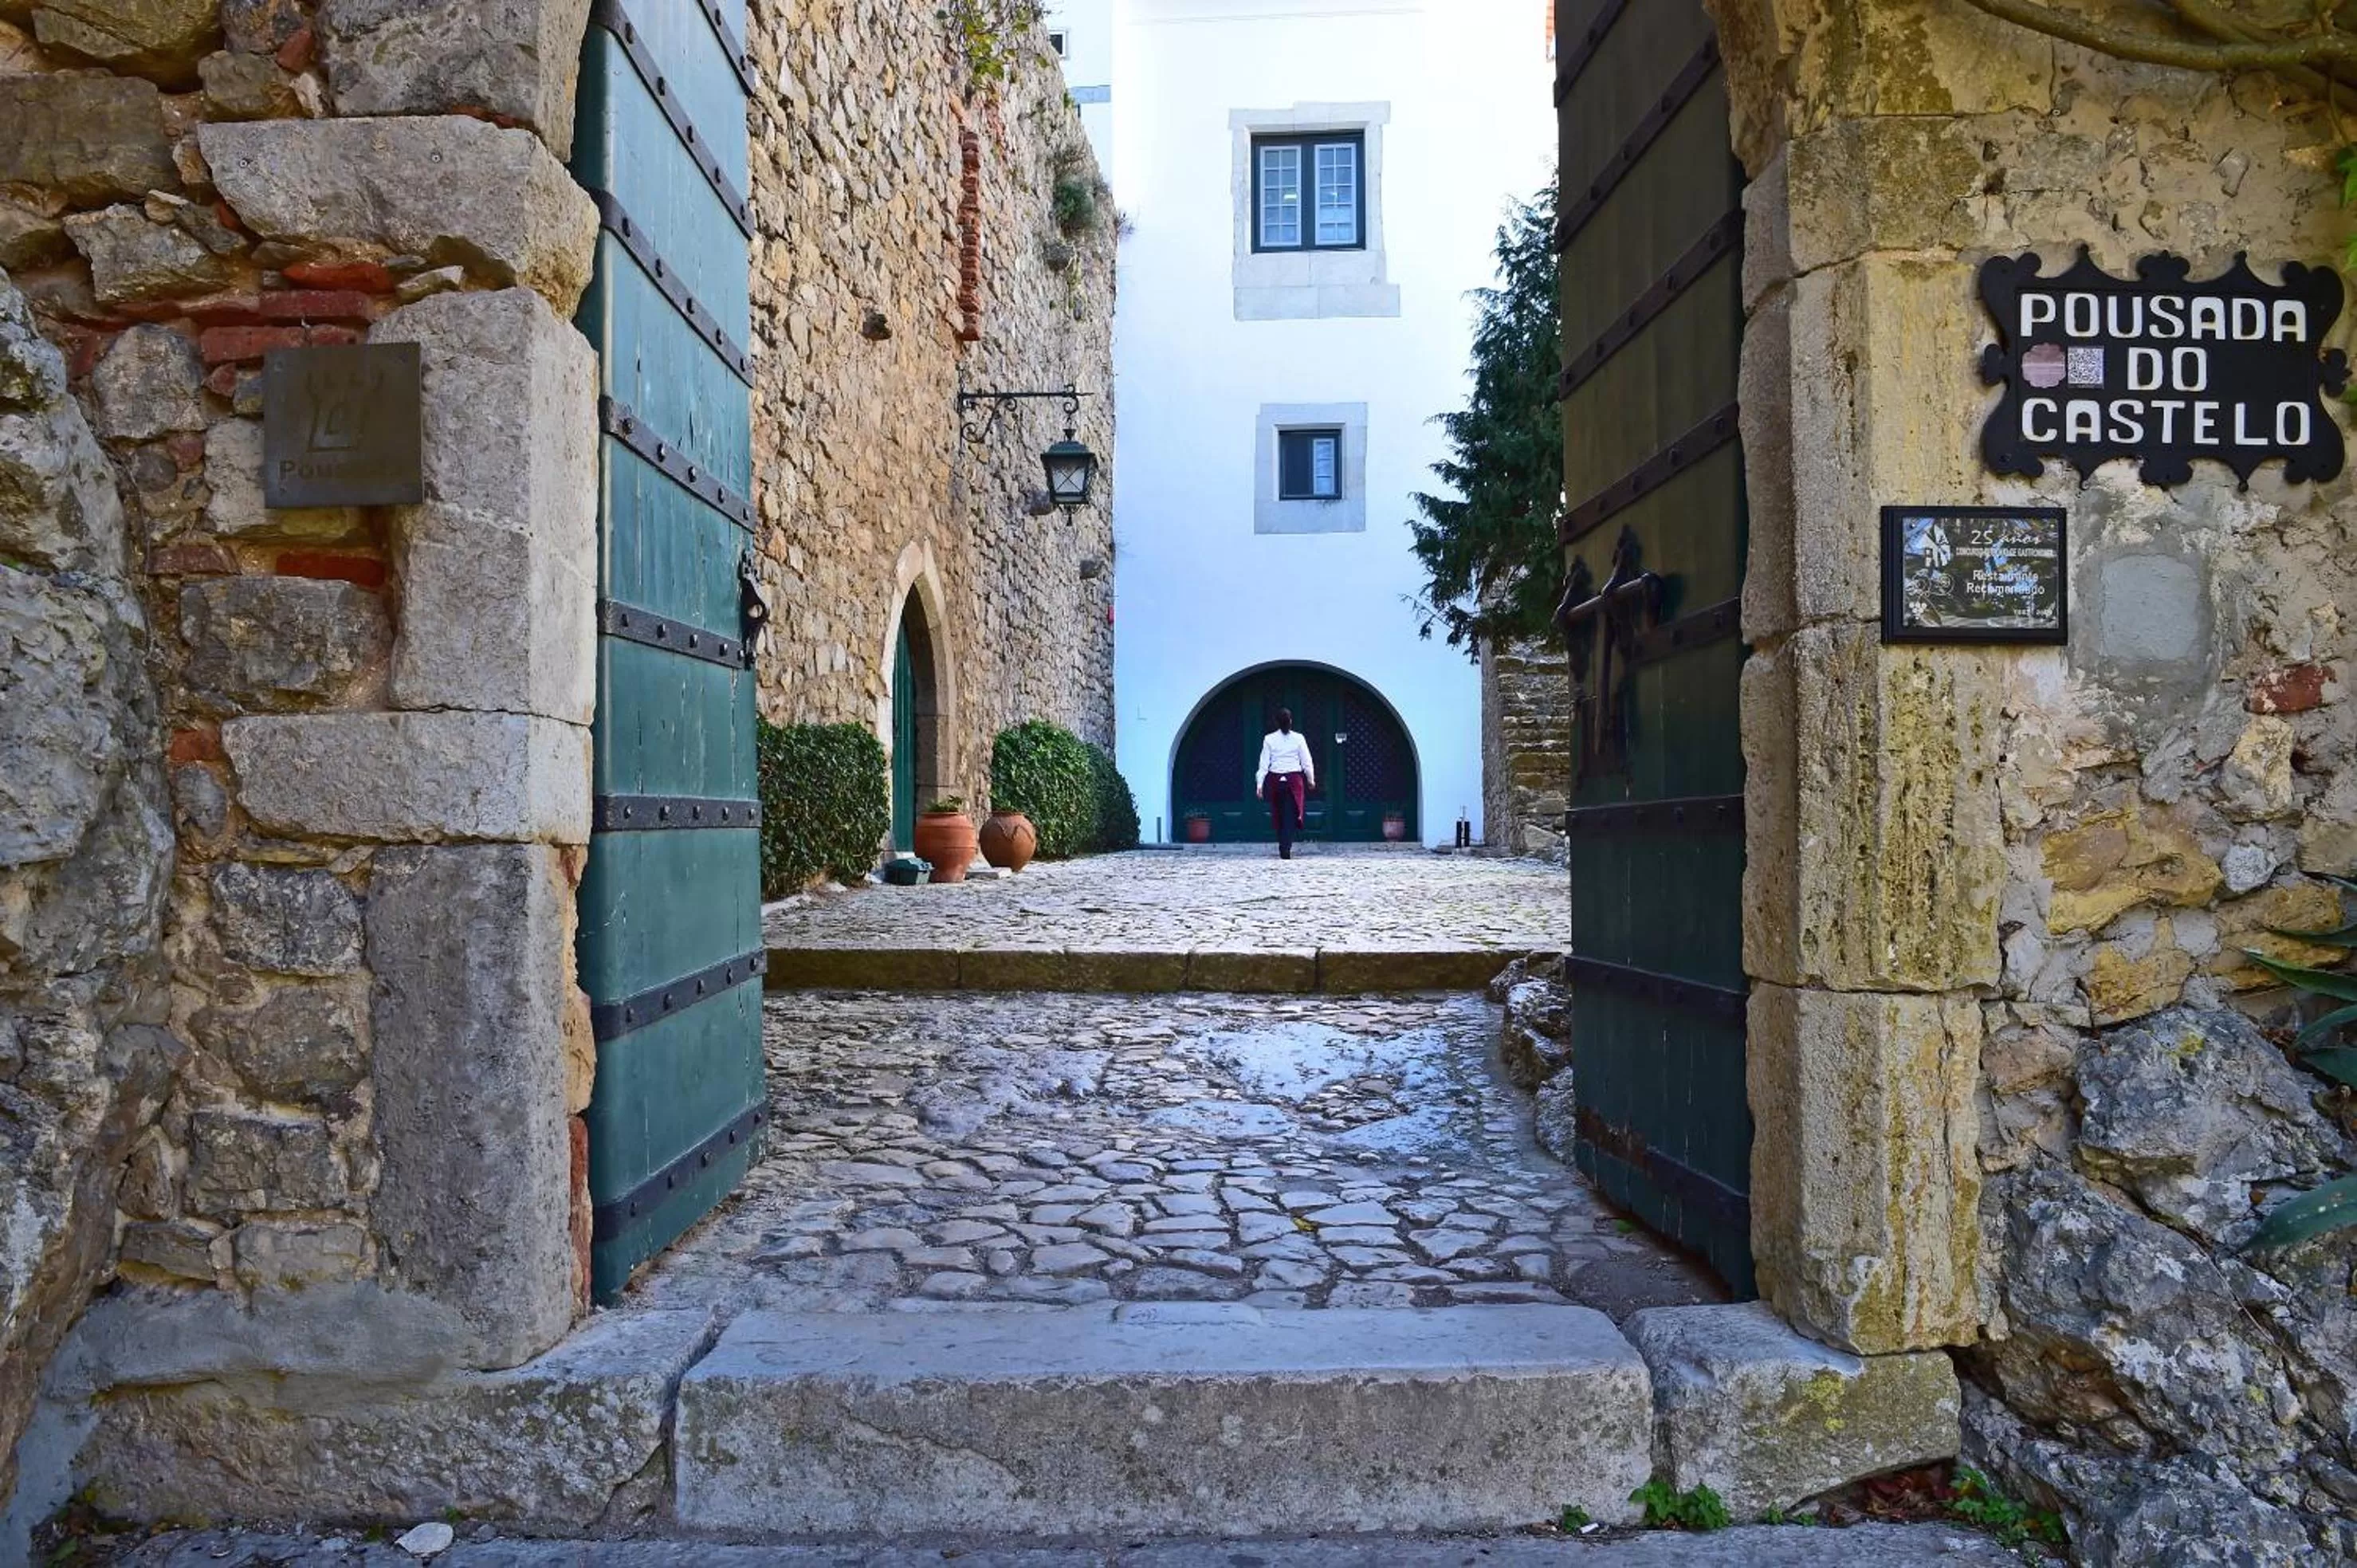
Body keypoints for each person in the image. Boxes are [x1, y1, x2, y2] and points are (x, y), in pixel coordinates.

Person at [1255, 708, 1315, 859]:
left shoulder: (1269, 739)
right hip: (1294, 782)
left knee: (1279, 813)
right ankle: (1285, 847)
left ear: (1277, 723)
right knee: (1290, 815)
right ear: (1291, 722)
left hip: (1276, 782)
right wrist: (1311, 779)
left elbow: (1264, 764)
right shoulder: (1299, 738)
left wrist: (1260, 785)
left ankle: (1283, 845)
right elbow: (1307, 761)